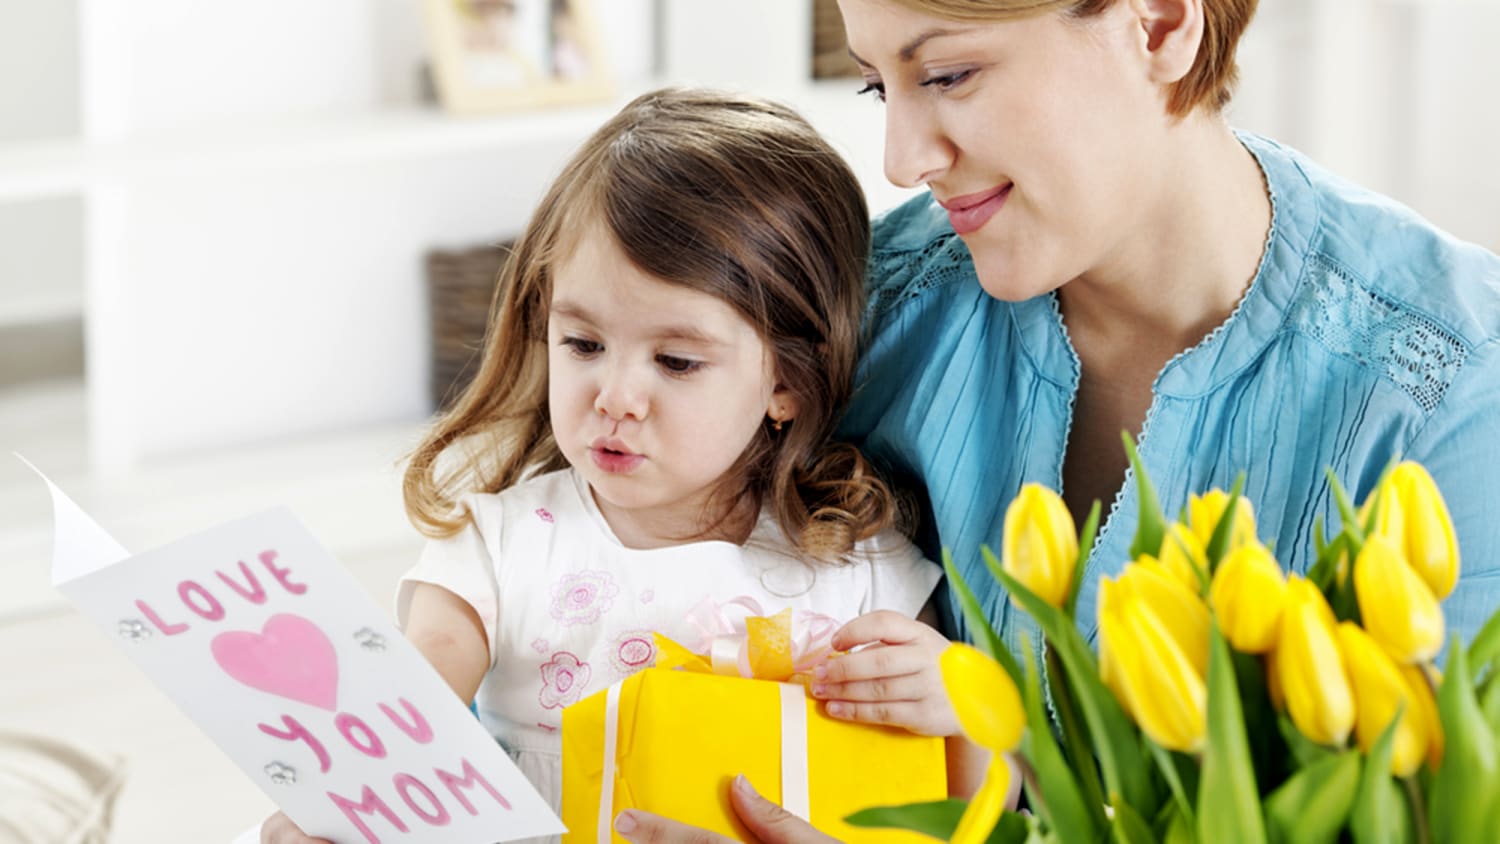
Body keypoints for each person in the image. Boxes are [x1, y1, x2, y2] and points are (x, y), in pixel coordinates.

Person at [617, 0, 1500, 840]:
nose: (901, 159)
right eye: (880, 87)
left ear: (1158, 25)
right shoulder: (868, 312)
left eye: (951, 75)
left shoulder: (1454, 389)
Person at [259, 87, 955, 844]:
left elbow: (966, 803)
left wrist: (963, 707)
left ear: (786, 382)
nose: (614, 397)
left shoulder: (860, 564)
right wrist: (338, 810)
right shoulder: (497, 548)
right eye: (583, 345)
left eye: (677, 360)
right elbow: (401, 722)